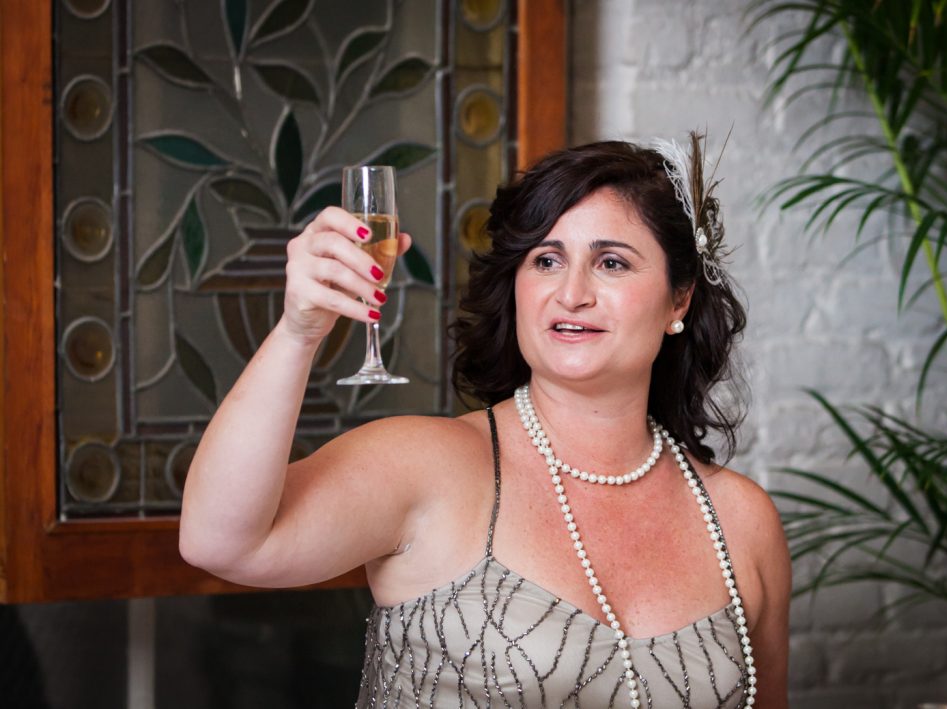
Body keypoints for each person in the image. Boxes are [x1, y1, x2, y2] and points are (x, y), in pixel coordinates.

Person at [180, 136, 791, 708]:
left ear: (678, 299)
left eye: (612, 264)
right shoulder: (431, 465)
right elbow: (220, 542)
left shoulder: (739, 520)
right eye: (547, 260)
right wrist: (299, 329)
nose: (571, 293)